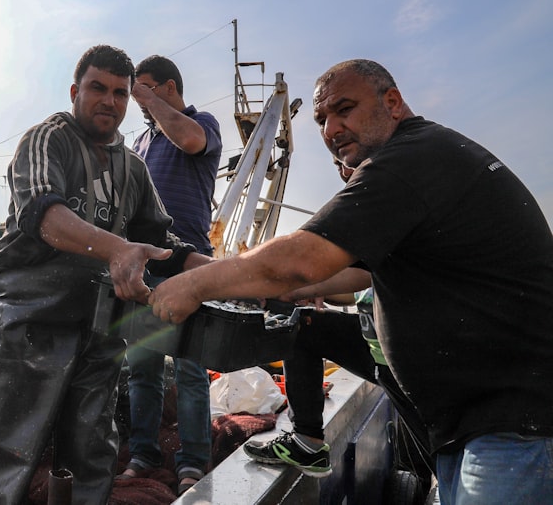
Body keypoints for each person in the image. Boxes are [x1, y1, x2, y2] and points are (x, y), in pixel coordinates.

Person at [148, 59, 553, 502]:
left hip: (514, 426)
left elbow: (304, 257)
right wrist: (291, 288)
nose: (331, 129)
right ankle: (307, 440)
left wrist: (192, 285)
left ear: (393, 103)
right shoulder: (428, 158)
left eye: (345, 109)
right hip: (473, 422)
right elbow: (350, 271)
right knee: (303, 326)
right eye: (322, 119)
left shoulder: (409, 159)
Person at [0, 45, 213, 505]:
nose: (109, 100)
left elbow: (160, 245)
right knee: (13, 449)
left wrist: (224, 273)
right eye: (97, 88)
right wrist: (118, 249)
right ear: (74, 91)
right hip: (32, 320)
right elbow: (44, 214)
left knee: (92, 447)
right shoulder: (47, 140)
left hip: (99, 322)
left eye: (120, 93)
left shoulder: (133, 167)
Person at [243, 159, 432, 484]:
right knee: (302, 327)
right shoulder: (372, 217)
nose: (345, 169)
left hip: (417, 358)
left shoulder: (400, 199)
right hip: (380, 351)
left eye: (353, 162)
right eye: (339, 163)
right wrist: (303, 291)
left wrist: (293, 284)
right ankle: (307, 442)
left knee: (443, 451)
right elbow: (361, 275)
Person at [120, 55, 221, 495]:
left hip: (191, 264)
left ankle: (194, 461)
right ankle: (143, 453)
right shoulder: (141, 141)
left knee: (191, 369)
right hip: (146, 265)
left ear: (169, 87)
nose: (136, 98)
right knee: (141, 367)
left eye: (144, 88)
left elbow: (190, 141)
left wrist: (146, 99)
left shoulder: (202, 122)